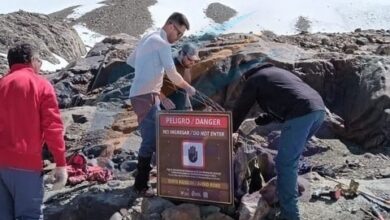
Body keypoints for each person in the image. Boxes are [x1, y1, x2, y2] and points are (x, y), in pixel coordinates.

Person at [232, 62, 325, 220]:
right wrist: (256, 121)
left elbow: (241, 108)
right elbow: (283, 103)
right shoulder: (274, 74)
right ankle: (283, 199)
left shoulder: (254, 79)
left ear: (245, 76)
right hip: (318, 110)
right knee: (290, 162)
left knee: (285, 163)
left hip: (301, 114)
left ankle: (290, 215)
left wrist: (232, 130)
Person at [126, 12, 196, 196]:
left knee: (158, 136)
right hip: (146, 96)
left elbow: (131, 61)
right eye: (179, 33)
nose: (179, 38)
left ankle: (161, 177)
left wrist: (148, 74)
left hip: (145, 94)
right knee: (151, 139)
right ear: (171, 26)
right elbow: (172, 74)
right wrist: (188, 87)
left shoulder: (148, 37)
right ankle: (140, 186)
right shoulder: (163, 43)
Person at [0, 43, 68, 219]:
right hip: (26, 165)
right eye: (39, 60)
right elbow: (53, 127)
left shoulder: (2, 84)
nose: (40, 65)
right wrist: (61, 163)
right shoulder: (41, 85)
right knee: (29, 216)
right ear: (30, 61)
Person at [160, 42, 200, 110]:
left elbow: (184, 86)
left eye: (195, 61)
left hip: (180, 102)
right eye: (190, 59)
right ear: (182, 53)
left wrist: (188, 107)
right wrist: (163, 99)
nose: (192, 63)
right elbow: (151, 84)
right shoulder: (169, 63)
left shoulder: (187, 64)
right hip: (164, 104)